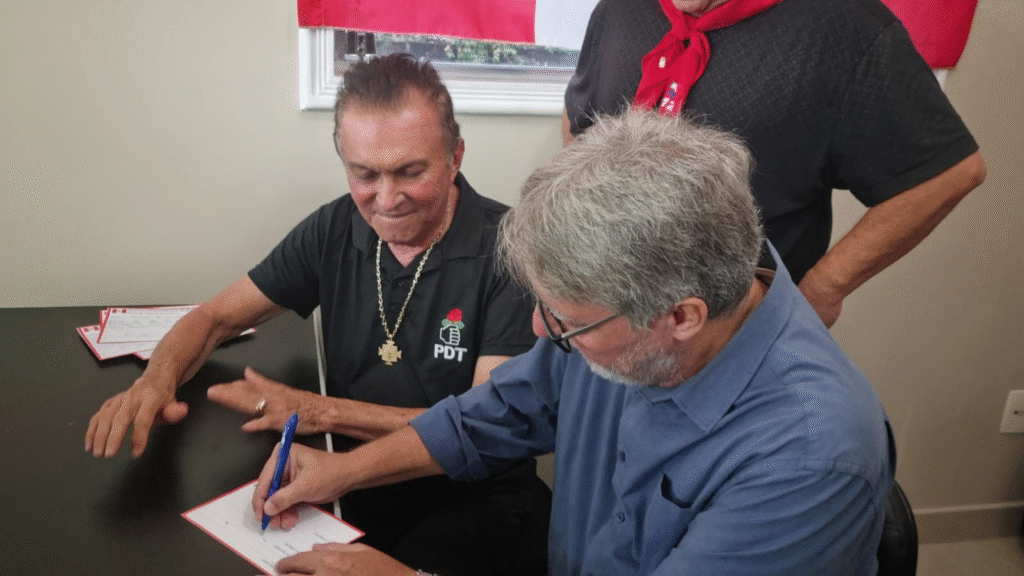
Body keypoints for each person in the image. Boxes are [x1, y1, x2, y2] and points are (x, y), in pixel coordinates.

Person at [251, 110, 896, 576]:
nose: (540, 330)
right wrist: (343, 470)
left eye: (566, 320)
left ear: (680, 317)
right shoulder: (628, 317)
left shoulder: (809, 459)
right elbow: (489, 416)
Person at [84, 53, 550, 576]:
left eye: (410, 172)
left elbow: (484, 428)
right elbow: (215, 317)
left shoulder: (510, 251)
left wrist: (322, 413)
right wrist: (156, 380)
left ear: (455, 156)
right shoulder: (334, 228)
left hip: (470, 499)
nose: (386, 199)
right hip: (349, 479)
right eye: (364, 174)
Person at [563, 0, 987, 328]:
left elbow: (947, 173)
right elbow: (579, 120)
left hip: (737, 329)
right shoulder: (619, 9)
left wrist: (823, 290)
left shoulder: (846, 25)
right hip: (608, 303)